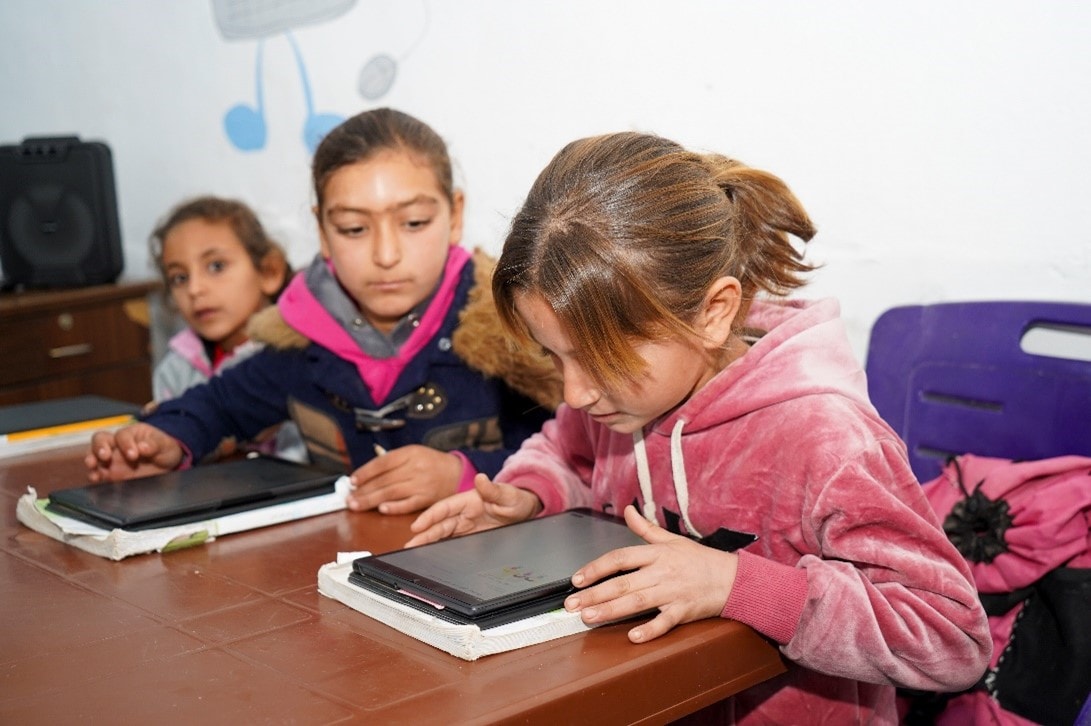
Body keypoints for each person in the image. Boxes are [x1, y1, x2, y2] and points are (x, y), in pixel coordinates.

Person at [407, 131, 992, 723]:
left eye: (603, 357)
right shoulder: (620, 404)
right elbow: (569, 450)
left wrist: (738, 585)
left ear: (713, 313)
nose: (575, 392)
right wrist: (533, 494)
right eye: (555, 356)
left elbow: (951, 639)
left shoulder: (828, 438)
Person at [85, 107, 561, 514]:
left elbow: (577, 454)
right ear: (322, 230)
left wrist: (466, 473)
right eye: (354, 228)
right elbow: (220, 404)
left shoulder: (510, 328)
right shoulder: (303, 336)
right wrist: (164, 440)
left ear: (455, 215)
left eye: (414, 222)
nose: (386, 254)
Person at [146, 195, 303, 461]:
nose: (195, 289)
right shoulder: (174, 370)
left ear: (269, 271)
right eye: (179, 277)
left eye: (216, 266)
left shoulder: (294, 357)